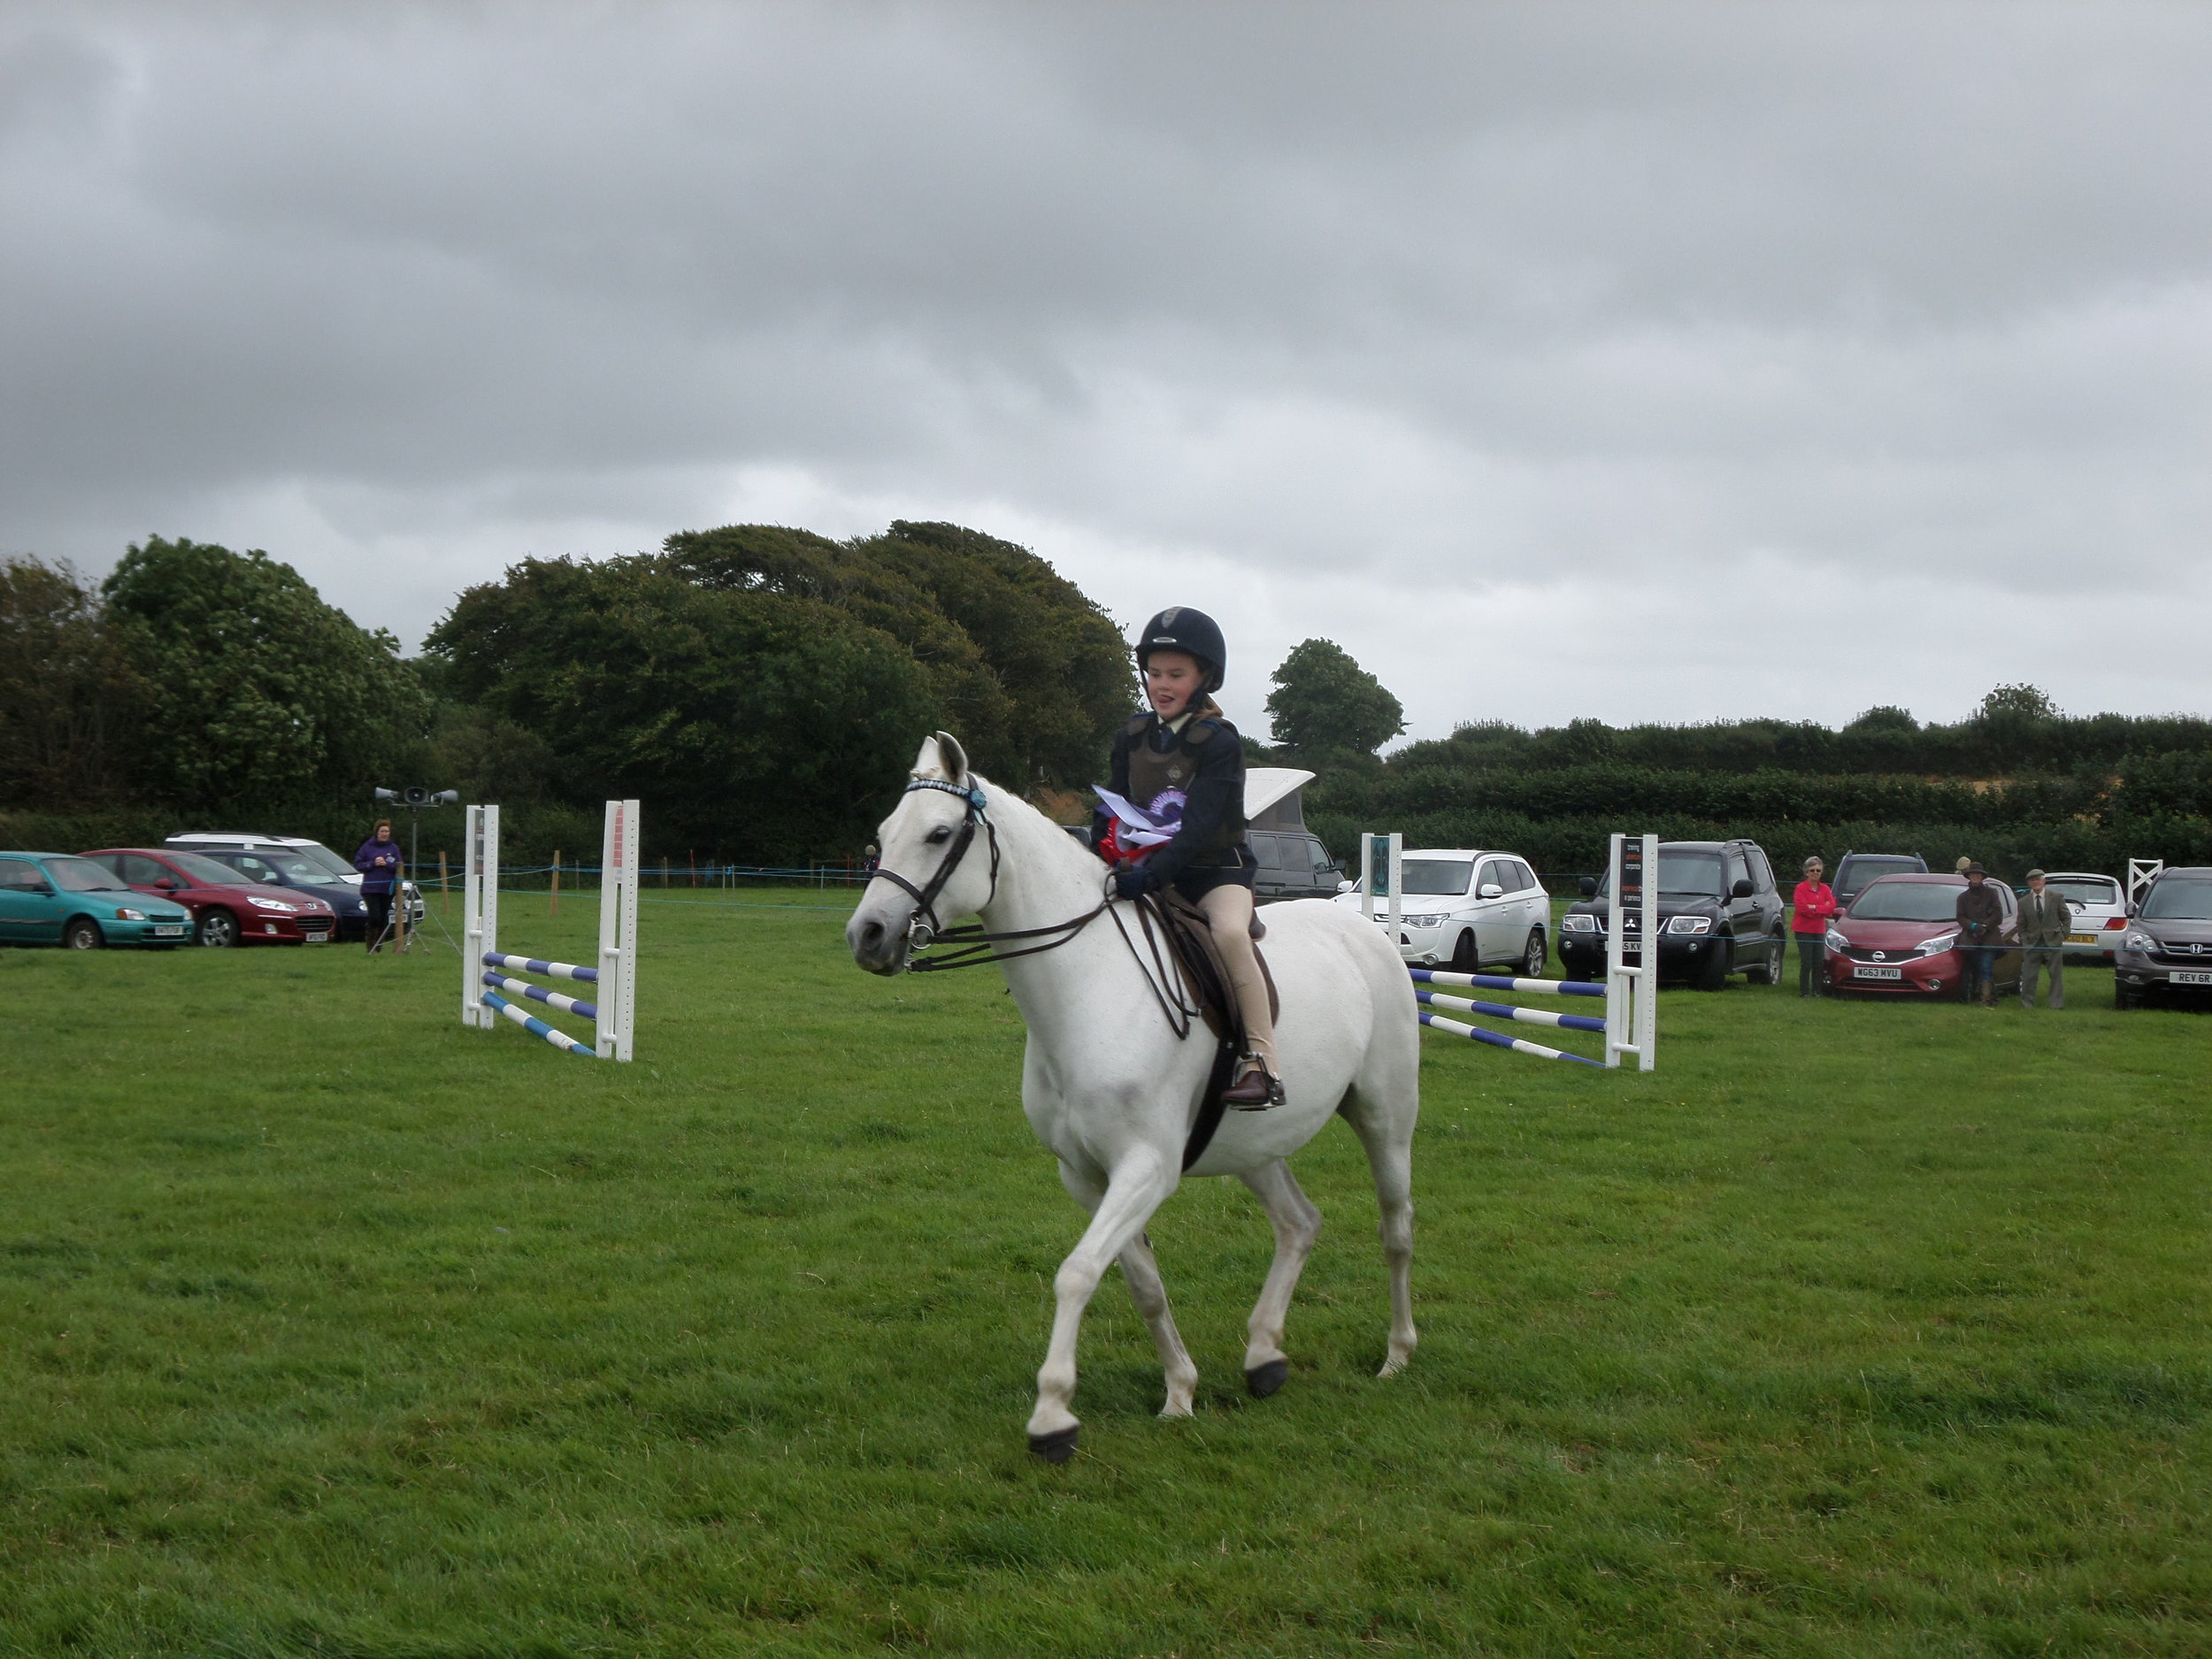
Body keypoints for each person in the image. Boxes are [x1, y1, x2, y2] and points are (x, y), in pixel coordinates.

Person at [1090, 606, 1281, 1109]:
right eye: (1155, 674)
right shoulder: (1131, 736)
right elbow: (1109, 805)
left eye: (1176, 674)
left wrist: (1150, 876)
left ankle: (1261, 1063)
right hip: (1149, 871)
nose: (1162, 684)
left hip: (1218, 873)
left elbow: (1197, 831)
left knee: (1231, 936)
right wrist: (1105, 855)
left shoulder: (1219, 743)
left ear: (1203, 679)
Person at [2016, 867, 2071, 1009]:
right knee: (2028, 976)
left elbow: (2066, 917)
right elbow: (2020, 924)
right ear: (2029, 883)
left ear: (2044, 881)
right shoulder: (2023, 902)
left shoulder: (2056, 897)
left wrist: (2063, 934)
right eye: (2032, 880)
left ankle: (2056, 1005)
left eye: (2038, 879)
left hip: (2053, 942)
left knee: (2056, 976)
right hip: (2032, 944)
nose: (2036, 882)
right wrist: (2024, 939)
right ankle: (2027, 1004)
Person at [1955, 862, 2004, 1006]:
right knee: (1979, 967)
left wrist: (1985, 926)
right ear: (1969, 876)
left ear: (1982, 877)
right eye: (1973, 874)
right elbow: (1960, 916)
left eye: (1978, 875)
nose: (1975, 877)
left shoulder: (1992, 893)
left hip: (1989, 938)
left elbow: (1998, 915)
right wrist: (1973, 926)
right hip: (1971, 938)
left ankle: (1986, 999)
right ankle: (1991, 996)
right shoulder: (1962, 897)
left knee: (1986, 965)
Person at [1789, 855, 1839, 997]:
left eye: (1818, 870)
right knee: (1806, 962)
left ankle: (1817, 991)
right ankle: (1804, 992)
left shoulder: (1825, 889)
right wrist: (1821, 909)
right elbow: (1802, 908)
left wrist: (1815, 908)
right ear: (1807, 872)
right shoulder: (1801, 888)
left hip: (1818, 929)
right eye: (1812, 870)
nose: (1815, 873)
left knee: (1818, 962)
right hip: (1803, 929)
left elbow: (1832, 907)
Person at [354, 819, 403, 953]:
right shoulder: (367, 847)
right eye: (382, 831)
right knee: (374, 916)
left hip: (387, 889)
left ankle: (378, 946)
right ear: (377, 832)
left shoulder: (393, 848)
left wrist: (387, 864)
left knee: (383, 918)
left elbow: (399, 866)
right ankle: (370, 944)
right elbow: (358, 864)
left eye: (387, 831)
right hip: (370, 889)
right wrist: (372, 863)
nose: (385, 834)